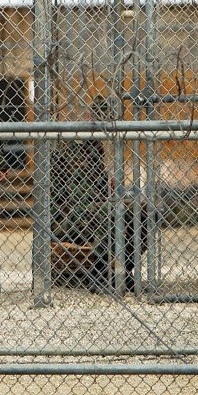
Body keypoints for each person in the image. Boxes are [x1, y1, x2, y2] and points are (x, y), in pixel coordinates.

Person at [51, 97, 147, 294]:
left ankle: (124, 270)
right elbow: (75, 200)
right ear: (90, 118)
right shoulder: (71, 145)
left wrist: (112, 192)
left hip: (92, 212)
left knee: (142, 211)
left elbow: (100, 189)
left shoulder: (94, 145)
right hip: (66, 219)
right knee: (108, 212)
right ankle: (100, 271)